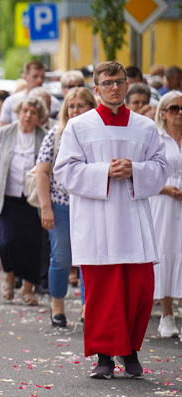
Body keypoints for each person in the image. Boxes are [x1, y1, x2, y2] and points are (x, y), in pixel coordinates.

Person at [55, 60, 168, 379]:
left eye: (120, 82)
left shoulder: (145, 127)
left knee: (139, 289)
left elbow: (161, 167)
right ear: (96, 88)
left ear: (127, 84)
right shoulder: (79, 126)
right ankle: (104, 357)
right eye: (108, 83)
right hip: (96, 220)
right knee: (103, 292)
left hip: (133, 219)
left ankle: (130, 351)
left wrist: (137, 170)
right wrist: (104, 171)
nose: (115, 88)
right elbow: (64, 171)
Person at [34, 88, 96, 327]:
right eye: (71, 106)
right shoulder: (56, 134)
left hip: (90, 205)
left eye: (81, 105)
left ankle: (86, 307)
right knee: (60, 258)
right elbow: (41, 172)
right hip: (60, 206)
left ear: (91, 108)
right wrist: (46, 208)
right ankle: (57, 306)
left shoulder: (96, 136)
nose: (75, 110)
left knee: (89, 259)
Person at [0, 96, 47, 305]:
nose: (28, 116)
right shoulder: (5, 134)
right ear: (17, 112)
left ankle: (28, 288)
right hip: (8, 196)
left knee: (32, 244)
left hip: (34, 199)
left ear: (39, 116)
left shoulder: (43, 136)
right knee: (7, 241)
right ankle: (9, 274)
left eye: (33, 112)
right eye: (24, 111)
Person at [151, 91, 182, 338]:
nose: (179, 113)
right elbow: (144, 173)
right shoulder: (156, 138)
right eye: (173, 108)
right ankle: (166, 315)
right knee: (166, 251)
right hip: (163, 200)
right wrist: (165, 188)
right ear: (163, 113)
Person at [0, 61, 59, 125]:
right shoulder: (11, 102)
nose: (40, 80)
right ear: (25, 76)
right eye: (35, 76)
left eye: (42, 77)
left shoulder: (53, 102)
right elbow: (3, 130)